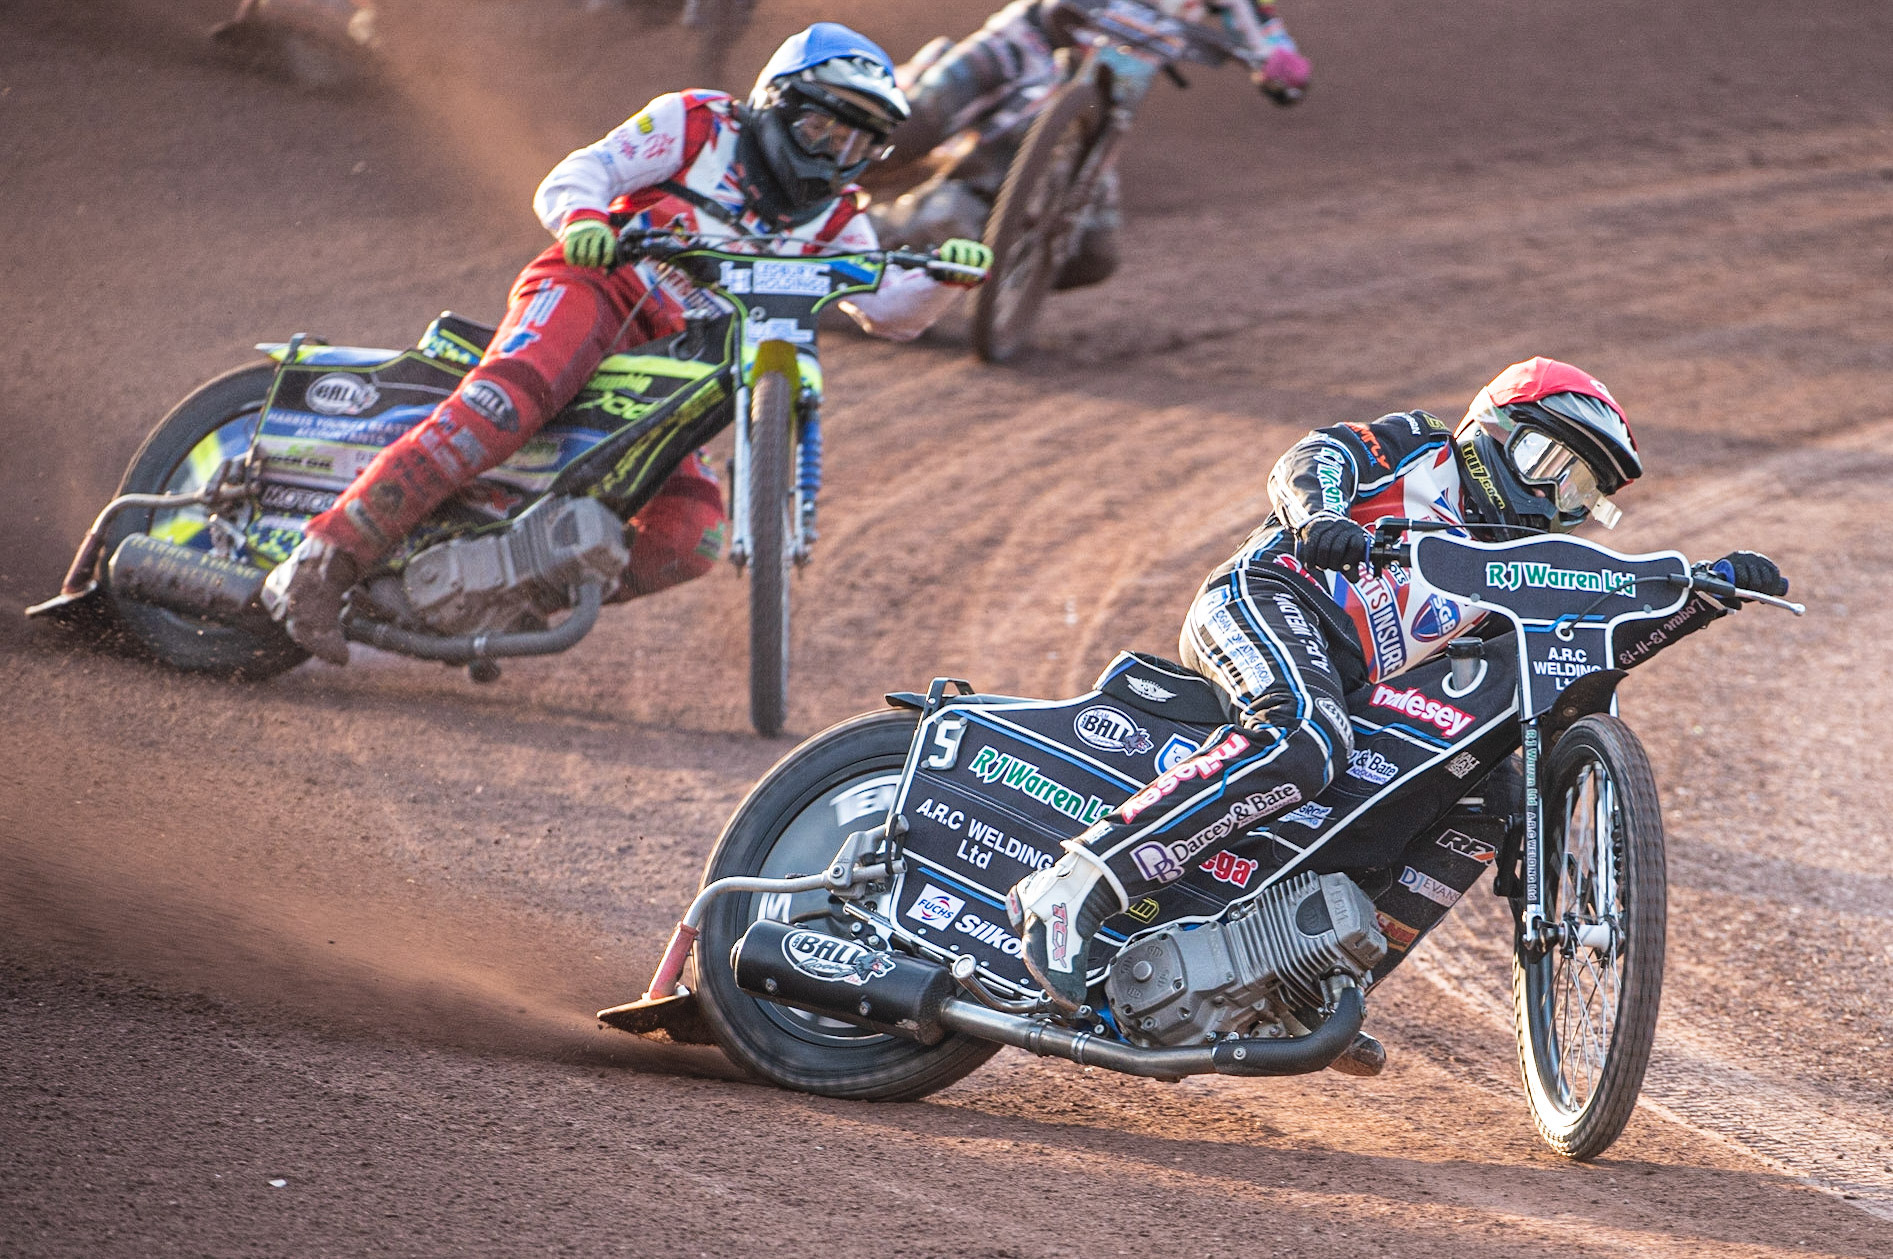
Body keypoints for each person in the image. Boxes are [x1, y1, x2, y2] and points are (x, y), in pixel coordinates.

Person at [1007, 357, 1789, 1009]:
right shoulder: (1423, 447)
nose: (1558, 501)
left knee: (1488, 785)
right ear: (1495, 432)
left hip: (1346, 676)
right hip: (1269, 595)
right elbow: (1312, 457)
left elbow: (1564, 665)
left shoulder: (1506, 577)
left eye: (1582, 494)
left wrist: (1698, 601)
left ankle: (1311, 985)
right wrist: (1317, 519)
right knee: (1302, 738)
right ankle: (1074, 888)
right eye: (1552, 468)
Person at [263, 23, 993, 665]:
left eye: (859, 142)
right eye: (824, 130)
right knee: (504, 406)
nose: (836, 155)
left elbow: (890, 311)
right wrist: (583, 216)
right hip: (598, 293)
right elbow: (582, 170)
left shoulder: (837, 216)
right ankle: (320, 560)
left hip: (675, 366)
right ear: (777, 104)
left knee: (693, 535)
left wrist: (943, 277)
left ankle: (493, 597)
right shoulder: (697, 122)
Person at [869, 0, 1311, 288]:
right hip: (1029, 38)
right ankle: (815, 202)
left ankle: (920, 266)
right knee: (908, 124)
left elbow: (1264, 32)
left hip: (1106, 95)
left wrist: (1280, 64)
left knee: (1092, 255)